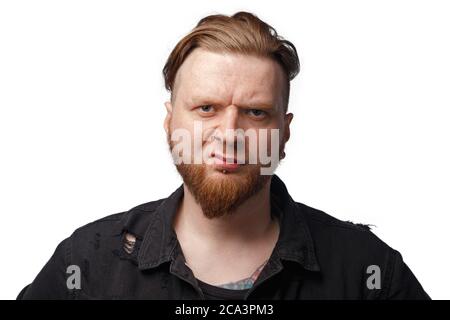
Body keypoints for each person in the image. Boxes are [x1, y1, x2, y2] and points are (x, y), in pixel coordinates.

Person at [18, 11, 430, 300]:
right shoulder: (87, 262)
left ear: (284, 131)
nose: (229, 134)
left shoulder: (365, 271)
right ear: (169, 122)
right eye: (206, 109)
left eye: (255, 112)